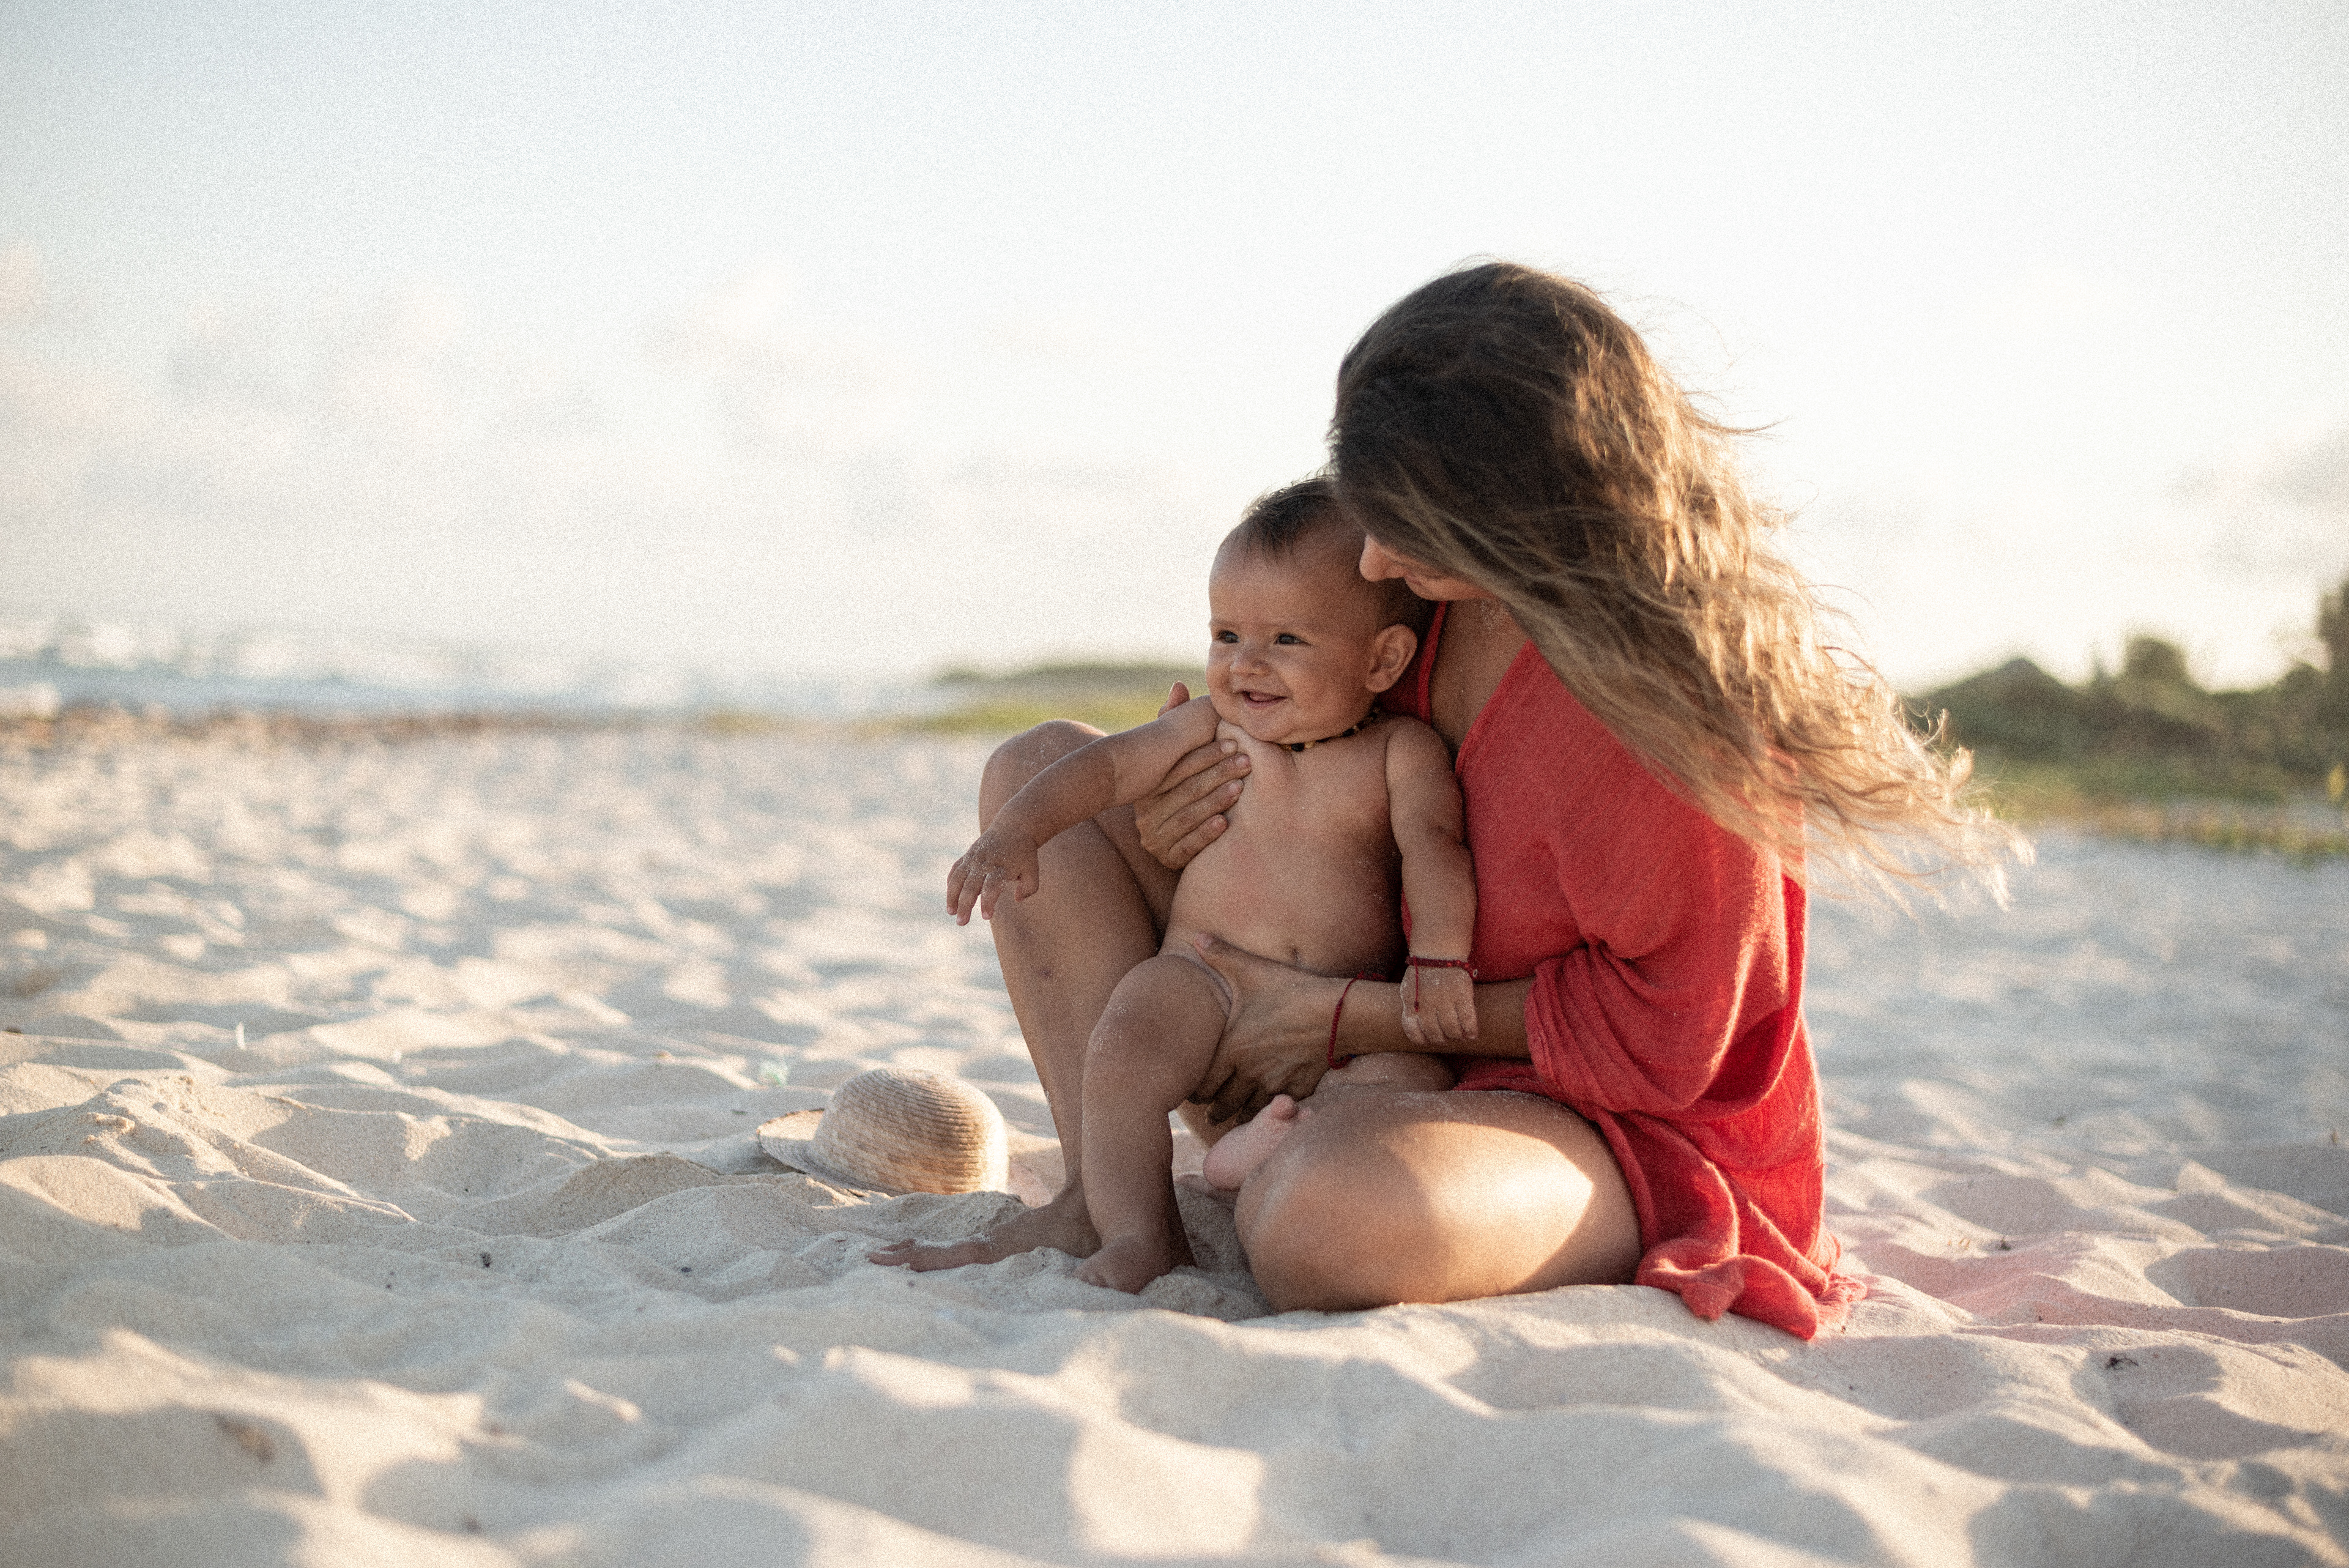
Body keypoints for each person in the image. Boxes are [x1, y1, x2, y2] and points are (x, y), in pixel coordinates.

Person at [878, 262, 2013, 1338]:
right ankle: (1105, 1197)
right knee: (1033, 776)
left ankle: (1309, 1157)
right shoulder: (1418, 604)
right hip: (1363, 1021)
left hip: (1610, 1126)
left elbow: (1672, 1042)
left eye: (1404, 516)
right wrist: (1201, 822)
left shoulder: (1672, 721)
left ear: (1515, 503)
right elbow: (1298, 769)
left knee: (1315, 1221)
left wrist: (1332, 1018)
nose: (1368, 555)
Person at [941, 481, 1471, 1293]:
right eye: (1226, 635)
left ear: (1383, 659)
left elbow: (1437, 852)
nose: (1244, 663)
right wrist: (1019, 829)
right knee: (1121, 1054)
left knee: (1401, 1086)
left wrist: (1439, 957)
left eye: (1285, 639)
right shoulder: (1209, 730)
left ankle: (1268, 1152)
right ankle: (1135, 1227)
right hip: (1204, 977)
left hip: (1347, 1009)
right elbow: (1107, 767)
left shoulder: (1399, 753)